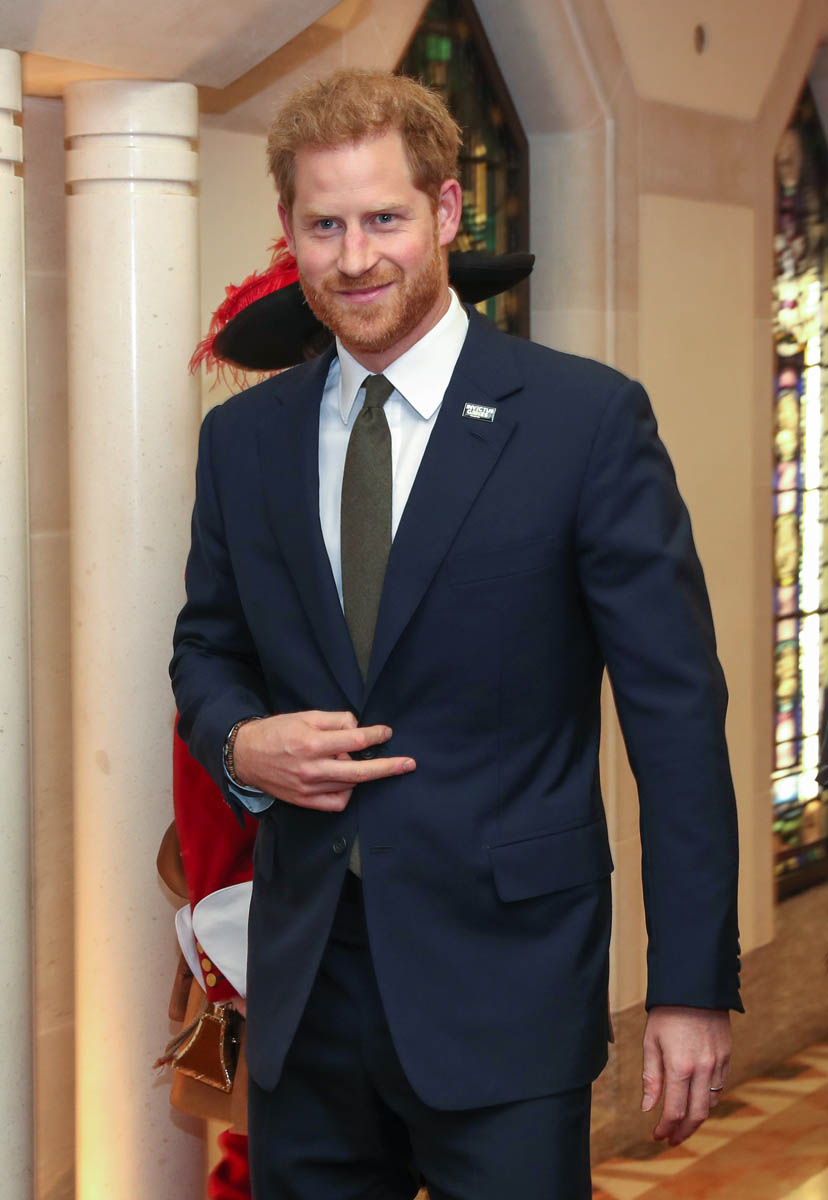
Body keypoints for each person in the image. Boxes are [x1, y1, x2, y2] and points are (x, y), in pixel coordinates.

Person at [171, 68, 741, 1200]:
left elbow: (676, 719)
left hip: (508, 990)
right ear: (289, 229)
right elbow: (206, 648)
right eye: (325, 226)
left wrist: (690, 986)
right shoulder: (245, 441)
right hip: (305, 992)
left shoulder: (585, 421)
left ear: (445, 210)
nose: (356, 257)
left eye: (384, 218)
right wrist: (240, 744)